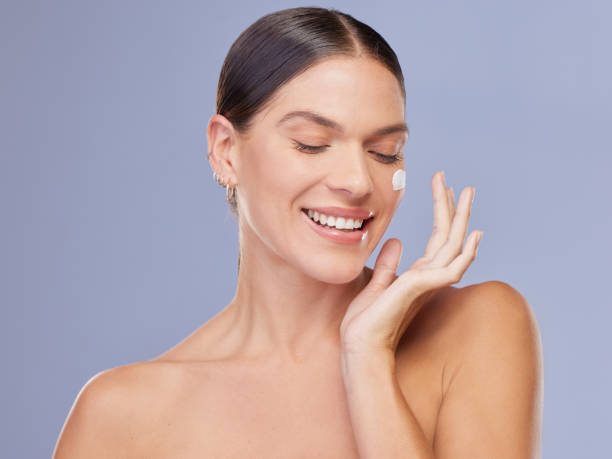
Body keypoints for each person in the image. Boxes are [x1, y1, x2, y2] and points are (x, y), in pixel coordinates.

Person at [53, 6, 543, 458]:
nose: (356, 182)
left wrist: (368, 361)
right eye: (311, 144)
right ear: (226, 151)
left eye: (385, 151)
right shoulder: (119, 418)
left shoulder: (474, 330)